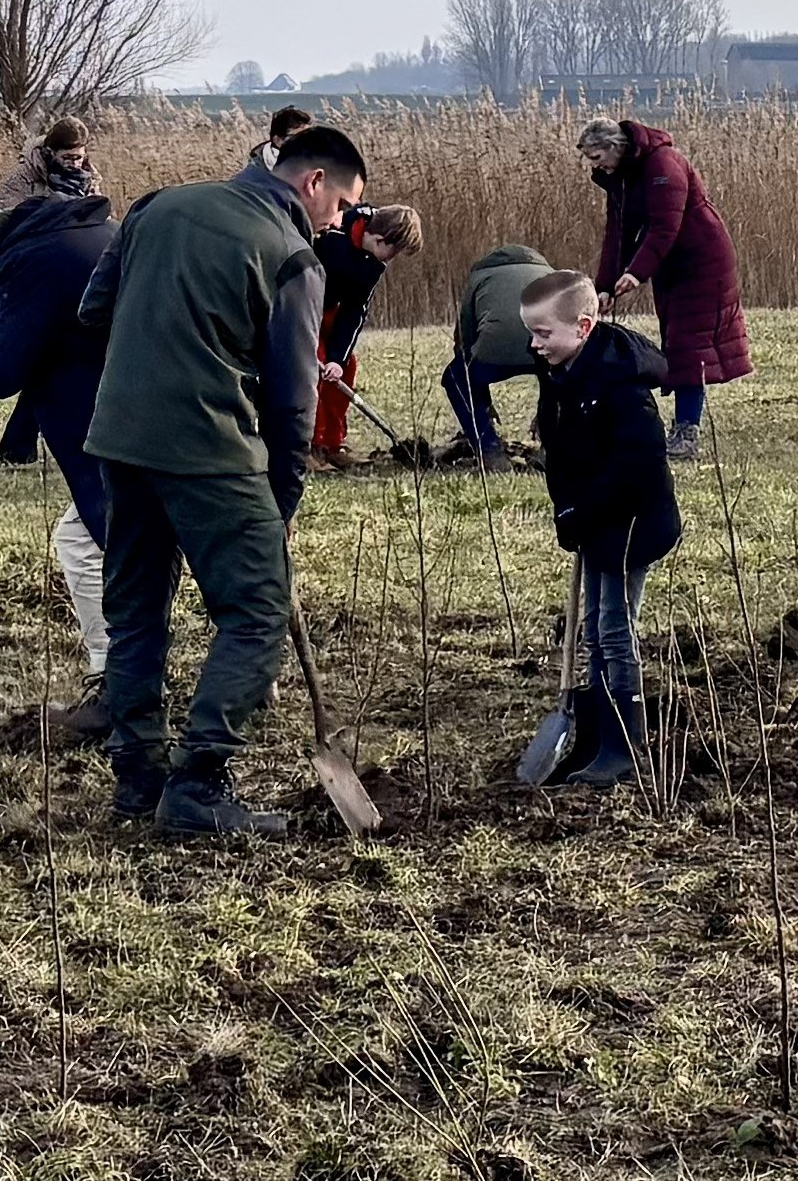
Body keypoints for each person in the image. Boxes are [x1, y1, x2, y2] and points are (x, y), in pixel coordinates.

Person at [74, 121, 356, 841]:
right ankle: (200, 783)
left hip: (120, 440)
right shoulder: (294, 256)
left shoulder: (155, 205)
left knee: (136, 609)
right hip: (214, 452)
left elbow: (93, 312)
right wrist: (281, 502)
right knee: (257, 612)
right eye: (342, 205)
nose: (340, 222)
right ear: (312, 182)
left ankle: (137, 777)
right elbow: (295, 402)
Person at [0, 170, 127, 740]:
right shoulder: (85, 230)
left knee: (100, 549)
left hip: (110, 433)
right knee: (171, 544)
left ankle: (117, 687)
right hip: (151, 416)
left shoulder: (31, 261)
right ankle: (244, 673)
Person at [522, 271, 680, 789]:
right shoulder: (563, 372)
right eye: (532, 333)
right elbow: (562, 452)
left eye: (543, 333)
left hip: (631, 521)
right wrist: (566, 509)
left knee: (613, 627)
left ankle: (624, 746)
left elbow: (640, 462)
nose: (534, 344)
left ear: (583, 326)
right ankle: (594, 730)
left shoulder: (618, 383)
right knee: (592, 624)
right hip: (595, 518)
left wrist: (583, 512)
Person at [584, 118, 749, 457]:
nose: (594, 165)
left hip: (702, 260)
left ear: (615, 148)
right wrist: (604, 285)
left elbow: (664, 227)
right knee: (676, 341)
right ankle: (681, 427)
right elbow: (617, 234)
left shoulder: (663, 164)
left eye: (596, 156)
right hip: (670, 264)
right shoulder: (622, 178)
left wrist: (635, 273)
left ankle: (687, 433)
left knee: (689, 346)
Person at [308, 200, 422, 468]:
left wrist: (338, 358)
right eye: (393, 253)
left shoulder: (373, 264)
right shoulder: (331, 233)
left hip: (329, 310)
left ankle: (332, 444)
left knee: (343, 367)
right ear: (380, 239)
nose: (390, 261)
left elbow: (354, 310)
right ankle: (308, 445)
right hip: (298, 306)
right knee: (314, 368)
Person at [444, 240, 551, 467]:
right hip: (548, 348)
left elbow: (465, 340)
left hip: (495, 351)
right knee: (559, 374)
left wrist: (480, 401)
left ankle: (489, 450)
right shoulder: (549, 274)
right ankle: (551, 447)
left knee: (455, 377)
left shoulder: (479, 277)